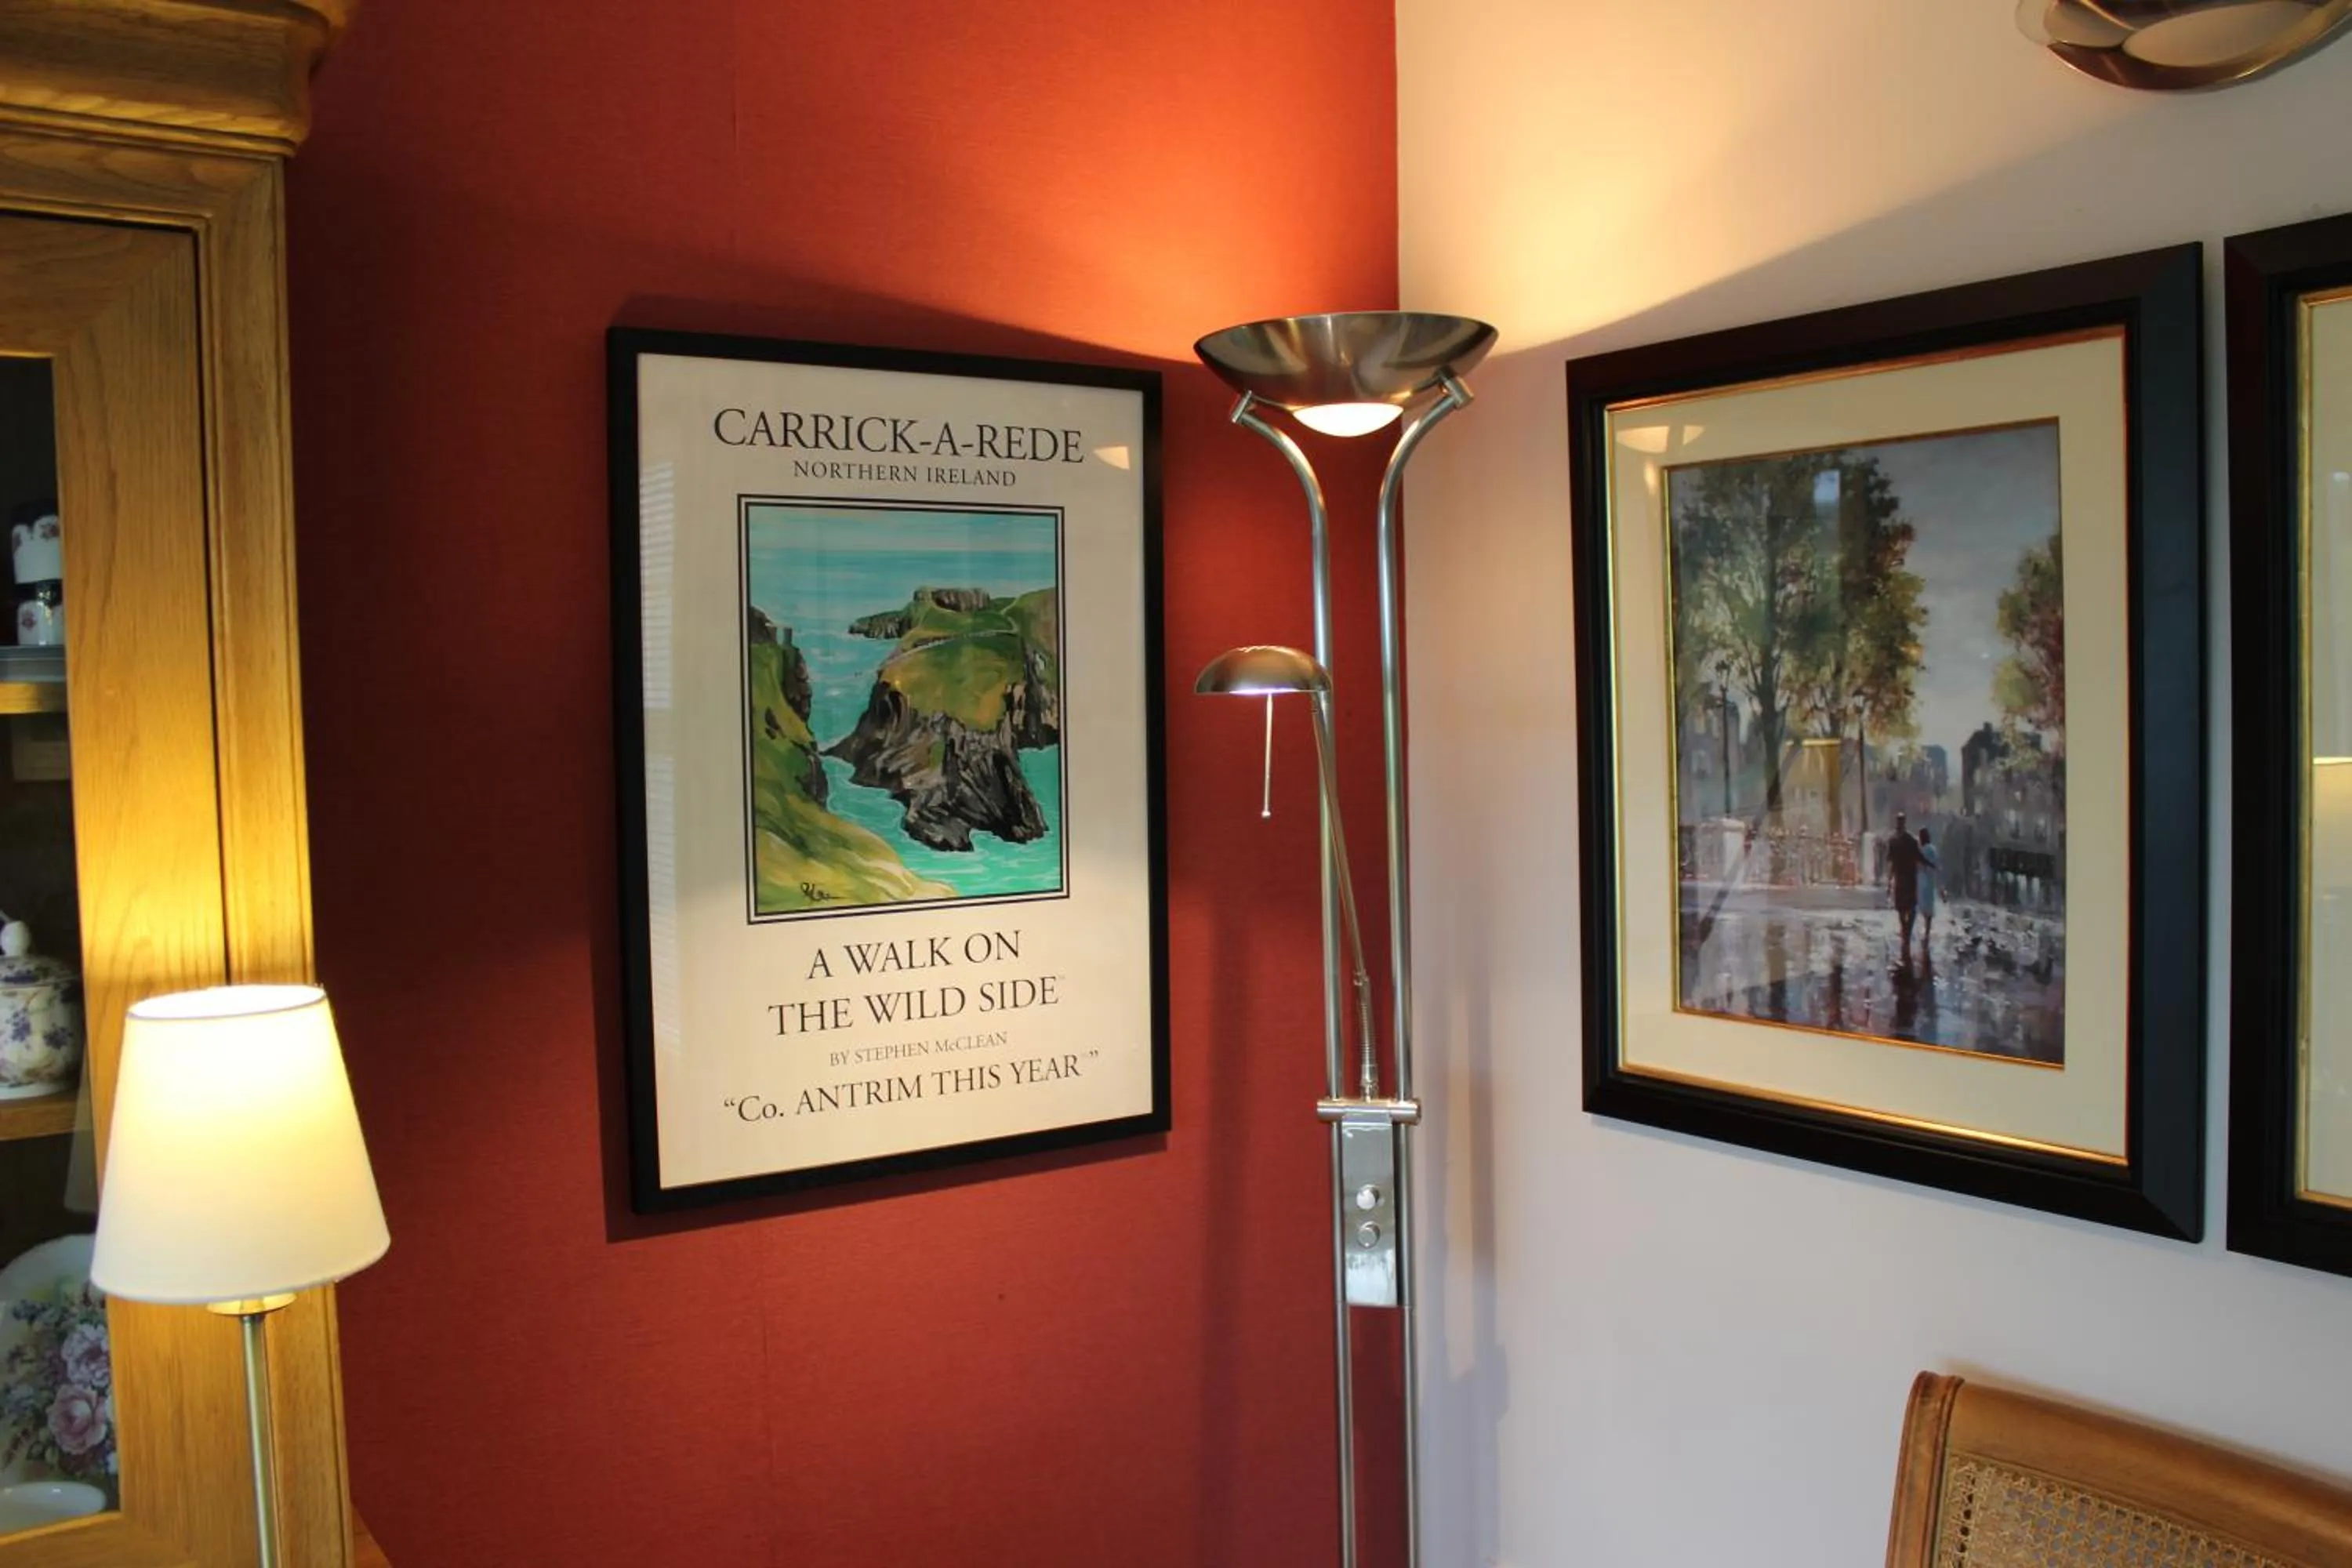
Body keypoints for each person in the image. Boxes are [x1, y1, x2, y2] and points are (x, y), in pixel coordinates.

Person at [1886, 811, 1922, 963]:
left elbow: (1890, 861)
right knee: (1910, 907)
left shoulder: (1894, 841)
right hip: (1910, 877)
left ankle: (1905, 930)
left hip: (1901, 878)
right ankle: (1907, 930)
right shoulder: (1911, 840)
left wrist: (1889, 881)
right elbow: (1919, 857)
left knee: (1902, 907)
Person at [1916, 826, 1941, 958]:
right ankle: (1927, 931)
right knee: (1929, 906)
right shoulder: (1933, 849)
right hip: (1930, 879)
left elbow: (1919, 864)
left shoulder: (1923, 850)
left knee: (1923, 905)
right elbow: (1937, 865)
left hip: (1923, 879)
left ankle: (1925, 932)